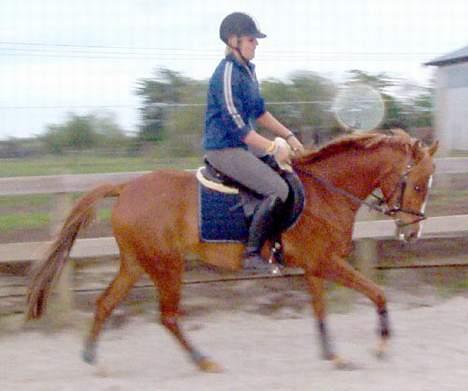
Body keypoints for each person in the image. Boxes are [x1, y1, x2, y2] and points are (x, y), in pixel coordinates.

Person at [203, 12, 304, 273]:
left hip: (242, 147)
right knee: (277, 190)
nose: (256, 44)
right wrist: (272, 147)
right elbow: (237, 127)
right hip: (224, 149)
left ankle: (277, 243)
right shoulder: (226, 73)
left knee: (292, 178)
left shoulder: (248, 71)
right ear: (233, 40)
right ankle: (251, 253)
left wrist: (290, 137)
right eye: (251, 39)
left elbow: (259, 113)